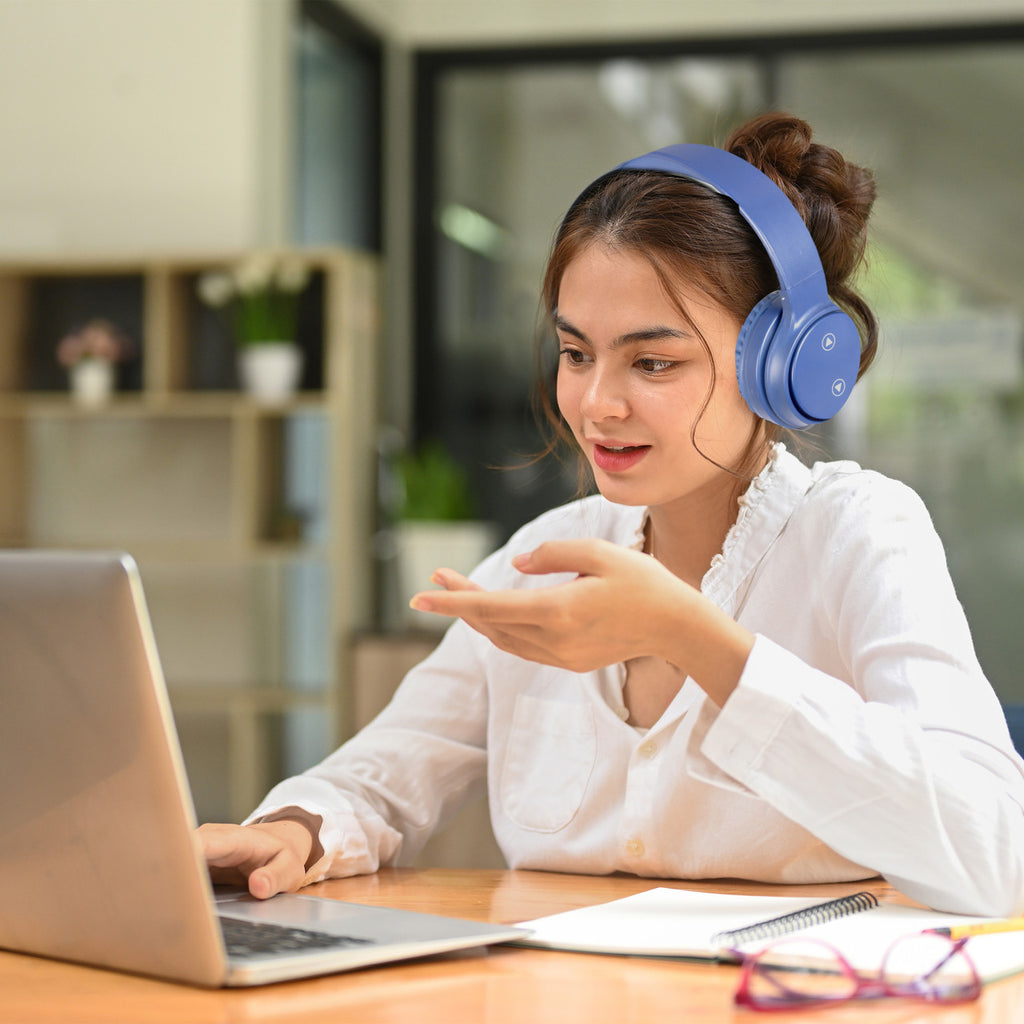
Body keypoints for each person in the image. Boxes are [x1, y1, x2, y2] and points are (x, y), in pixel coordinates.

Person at [200, 112, 1024, 917]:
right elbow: (382, 773)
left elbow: (998, 854)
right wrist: (293, 832)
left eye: (653, 361)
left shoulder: (859, 532)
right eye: (575, 353)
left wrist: (692, 636)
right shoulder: (552, 551)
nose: (595, 404)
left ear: (782, 365)